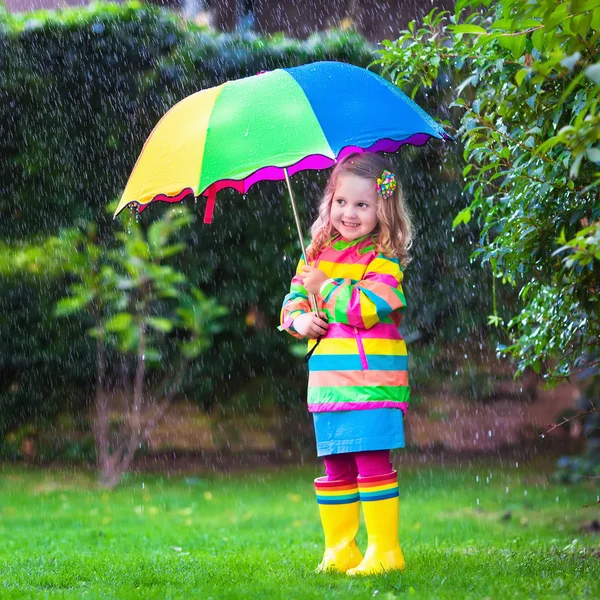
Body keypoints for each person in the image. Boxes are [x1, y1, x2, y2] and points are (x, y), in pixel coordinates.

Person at [279, 152, 412, 575]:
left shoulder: (383, 259)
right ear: (328, 203)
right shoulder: (315, 254)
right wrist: (301, 319)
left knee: (371, 461)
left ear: (382, 209)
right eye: (341, 202)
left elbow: (368, 307)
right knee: (335, 464)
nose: (349, 213)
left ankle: (385, 551)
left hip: (372, 382)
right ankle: (341, 548)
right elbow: (292, 302)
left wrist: (327, 286)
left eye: (362, 205)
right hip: (329, 384)